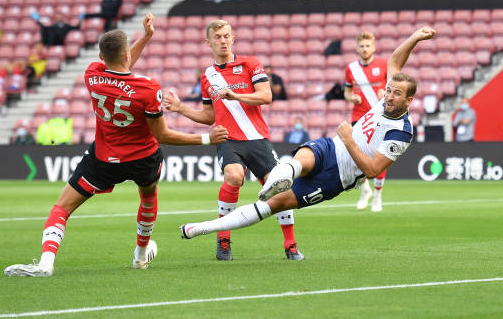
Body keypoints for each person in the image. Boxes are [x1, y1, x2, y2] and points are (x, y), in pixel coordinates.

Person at [4, 14, 229, 277]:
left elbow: (119, 63)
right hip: (142, 158)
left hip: (103, 158)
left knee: (62, 207)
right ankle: (141, 255)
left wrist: (144, 37)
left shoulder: (92, 74)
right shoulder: (148, 88)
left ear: (101, 57)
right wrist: (207, 138)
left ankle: (45, 263)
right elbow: (163, 136)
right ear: (126, 55)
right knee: (147, 197)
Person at [178, 27, 437, 246]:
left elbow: (371, 170)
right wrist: (414, 37)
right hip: (331, 147)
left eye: (395, 94)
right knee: (300, 159)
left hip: (339, 175)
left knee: (275, 205)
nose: (389, 97)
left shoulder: (402, 132)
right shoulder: (386, 99)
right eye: (388, 91)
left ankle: (204, 228)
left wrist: (349, 140)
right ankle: (279, 177)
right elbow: (394, 61)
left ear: (409, 100)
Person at [163, 19, 304, 261]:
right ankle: (223, 238)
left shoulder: (250, 63)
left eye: (227, 36)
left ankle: (290, 245)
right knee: (234, 176)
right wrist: (180, 108)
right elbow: (209, 117)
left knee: (280, 187)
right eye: (217, 37)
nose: (223, 40)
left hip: (257, 138)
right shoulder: (207, 76)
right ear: (208, 42)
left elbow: (266, 96)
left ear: (233, 38)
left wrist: (235, 95)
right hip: (227, 139)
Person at [344, 31, 389, 212]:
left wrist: (384, 93)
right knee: (357, 156)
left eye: (368, 46)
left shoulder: (384, 65)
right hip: (359, 117)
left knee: (380, 156)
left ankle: (378, 195)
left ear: (374, 47)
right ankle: (365, 190)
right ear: (357, 48)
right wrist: (351, 97)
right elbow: (346, 92)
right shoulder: (351, 68)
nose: (365, 49)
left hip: (379, 115)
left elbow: (394, 88)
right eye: (362, 46)